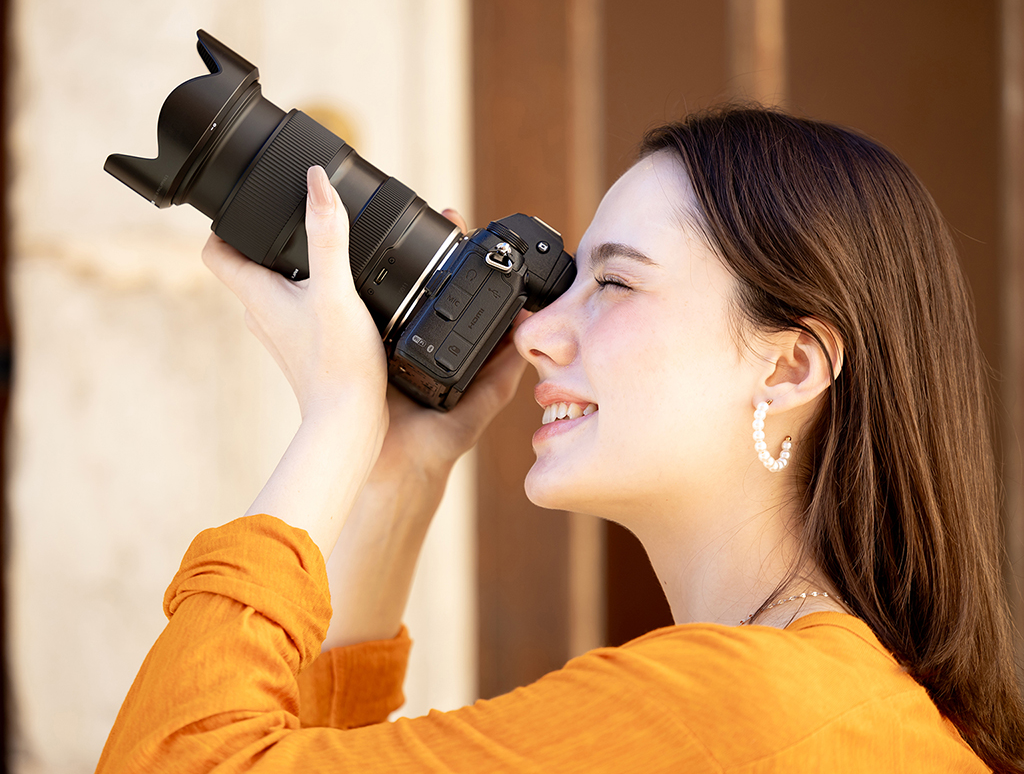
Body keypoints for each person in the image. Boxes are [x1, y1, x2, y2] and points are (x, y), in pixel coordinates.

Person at [94, 107, 1024, 773]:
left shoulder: (732, 705)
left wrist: (337, 421)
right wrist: (401, 470)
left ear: (788, 369)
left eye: (614, 287)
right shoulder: (856, 706)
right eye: (567, 279)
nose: (536, 334)